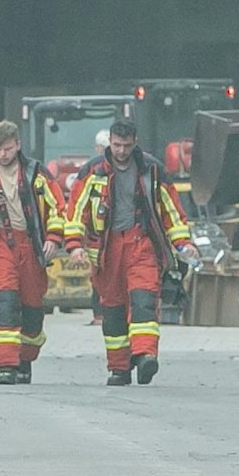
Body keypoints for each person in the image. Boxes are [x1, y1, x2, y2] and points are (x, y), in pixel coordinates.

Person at [65, 119, 198, 386]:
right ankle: (119, 368)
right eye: (116, 145)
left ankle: (145, 355)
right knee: (112, 310)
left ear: (135, 142)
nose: (122, 151)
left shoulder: (151, 169)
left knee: (144, 299)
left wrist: (183, 243)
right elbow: (76, 210)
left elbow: (171, 210)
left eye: (126, 145)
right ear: (109, 143)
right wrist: (74, 244)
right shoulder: (93, 171)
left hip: (142, 243)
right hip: (106, 249)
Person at [0, 121, 71, 385]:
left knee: (32, 309)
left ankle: (25, 359)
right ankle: (6, 365)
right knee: (6, 301)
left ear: (18, 145)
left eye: (8, 149)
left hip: (30, 245)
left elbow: (58, 208)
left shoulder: (36, 173)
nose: (3, 155)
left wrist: (54, 239)